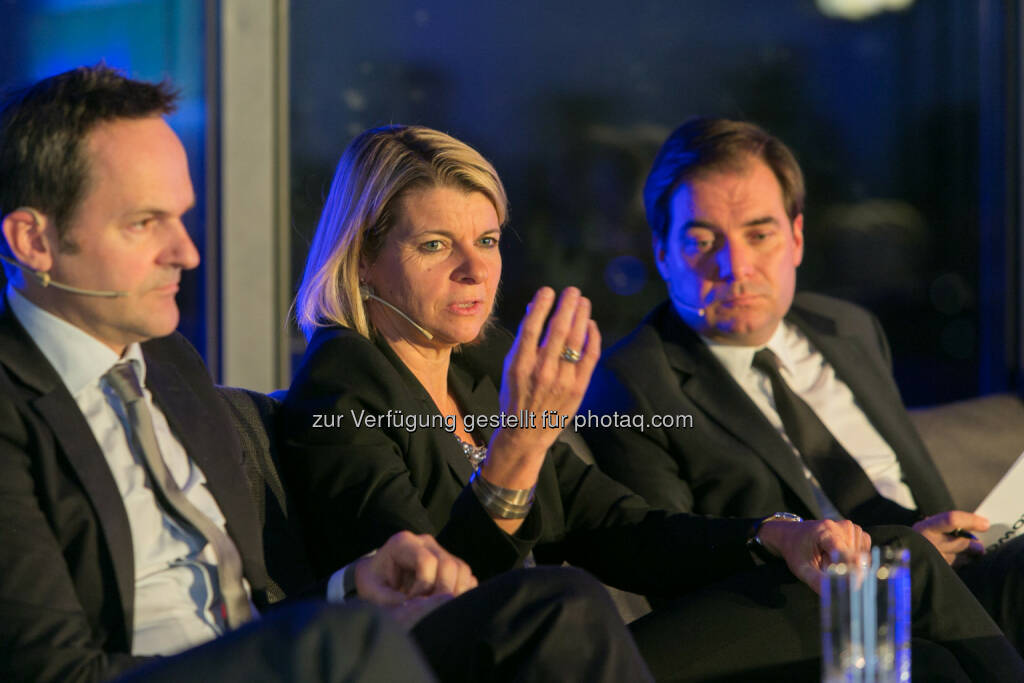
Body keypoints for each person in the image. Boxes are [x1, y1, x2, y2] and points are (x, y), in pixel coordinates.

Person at [282, 122, 1023, 681]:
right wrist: (522, 443)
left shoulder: (476, 373)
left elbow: (617, 524)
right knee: (883, 580)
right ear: (365, 257)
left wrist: (775, 534)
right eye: (437, 246)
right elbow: (425, 592)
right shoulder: (341, 386)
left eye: (488, 238)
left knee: (864, 602)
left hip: (570, 649)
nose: (478, 269)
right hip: (518, 661)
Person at [0, 65, 654, 683]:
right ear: (33, 242)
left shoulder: (169, 364)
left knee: (559, 600)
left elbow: (250, 611)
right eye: (144, 222)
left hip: (281, 651)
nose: (188, 252)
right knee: (361, 639)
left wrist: (352, 585)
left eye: (181, 217)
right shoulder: (13, 411)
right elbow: (56, 672)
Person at [580, 116, 1024, 655]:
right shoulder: (632, 385)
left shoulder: (848, 328)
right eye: (701, 240)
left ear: (795, 238)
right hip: (820, 622)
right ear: (662, 253)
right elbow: (673, 571)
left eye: (759, 235)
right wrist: (905, 559)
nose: (734, 266)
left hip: (963, 577)